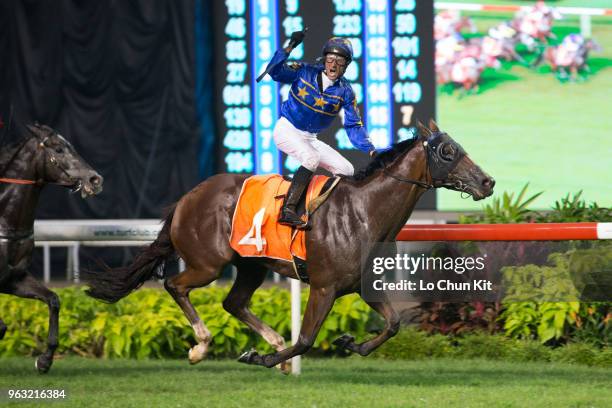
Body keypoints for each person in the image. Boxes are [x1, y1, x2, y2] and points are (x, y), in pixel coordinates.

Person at [261, 32, 376, 229]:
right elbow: (274, 72)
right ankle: (287, 210)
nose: (333, 65)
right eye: (331, 59)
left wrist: (371, 149)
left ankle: (323, 209)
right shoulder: (304, 71)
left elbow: (353, 125)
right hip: (286, 129)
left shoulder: (346, 92)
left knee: (346, 170)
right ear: (324, 59)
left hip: (310, 138)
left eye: (340, 62)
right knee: (311, 158)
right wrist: (289, 47)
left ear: (346, 66)